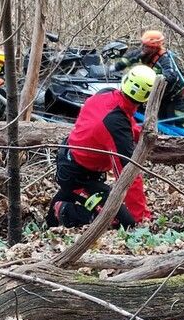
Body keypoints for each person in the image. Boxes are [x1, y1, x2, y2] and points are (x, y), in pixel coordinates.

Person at [46, 64, 156, 229]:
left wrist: (138, 134)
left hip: (73, 163)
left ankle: (66, 202)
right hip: (78, 175)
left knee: (105, 204)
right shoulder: (115, 125)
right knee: (124, 222)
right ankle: (65, 210)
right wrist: (140, 218)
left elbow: (123, 117)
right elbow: (128, 175)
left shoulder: (106, 94)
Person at [116, 30, 184, 122]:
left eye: (147, 46)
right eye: (143, 45)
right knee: (154, 122)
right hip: (159, 97)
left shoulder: (166, 59)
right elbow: (130, 57)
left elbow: (171, 76)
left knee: (178, 124)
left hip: (175, 98)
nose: (144, 48)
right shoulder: (144, 53)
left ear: (155, 48)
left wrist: (155, 79)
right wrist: (116, 67)